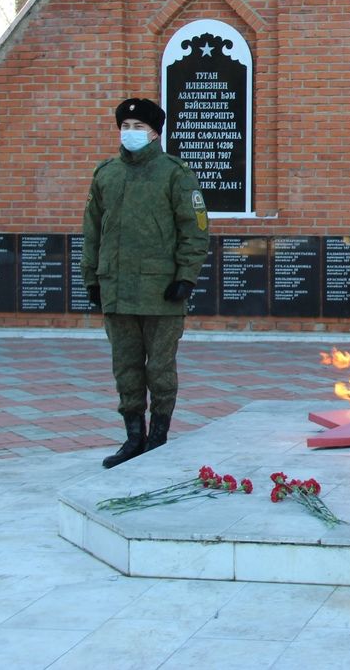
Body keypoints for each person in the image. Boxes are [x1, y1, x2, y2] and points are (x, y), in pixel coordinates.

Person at [81, 97, 210, 469]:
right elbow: (91, 231)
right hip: (117, 289)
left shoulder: (175, 173)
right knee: (126, 367)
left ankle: (158, 438)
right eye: (125, 127)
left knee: (160, 370)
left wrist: (185, 276)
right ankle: (133, 438)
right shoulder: (106, 174)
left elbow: (195, 229)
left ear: (155, 133)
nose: (131, 133)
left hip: (160, 291)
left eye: (139, 128)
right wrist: (91, 277)